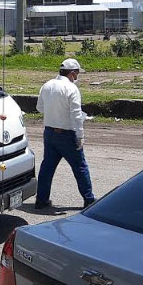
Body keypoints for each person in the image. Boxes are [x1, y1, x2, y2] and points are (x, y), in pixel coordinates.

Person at [35, 58, 95, 210]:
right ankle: (89, 200)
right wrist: (80, 135)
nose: (77, 77)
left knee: (47, 167)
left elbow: (39, 108)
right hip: (67, 134)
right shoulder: (71, 88)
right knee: (80, 167)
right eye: (77, 74)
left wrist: (54, 112)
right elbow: (76, 115)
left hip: (49, 132)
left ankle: (41, 200)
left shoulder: (47, 85)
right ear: (72, 73)